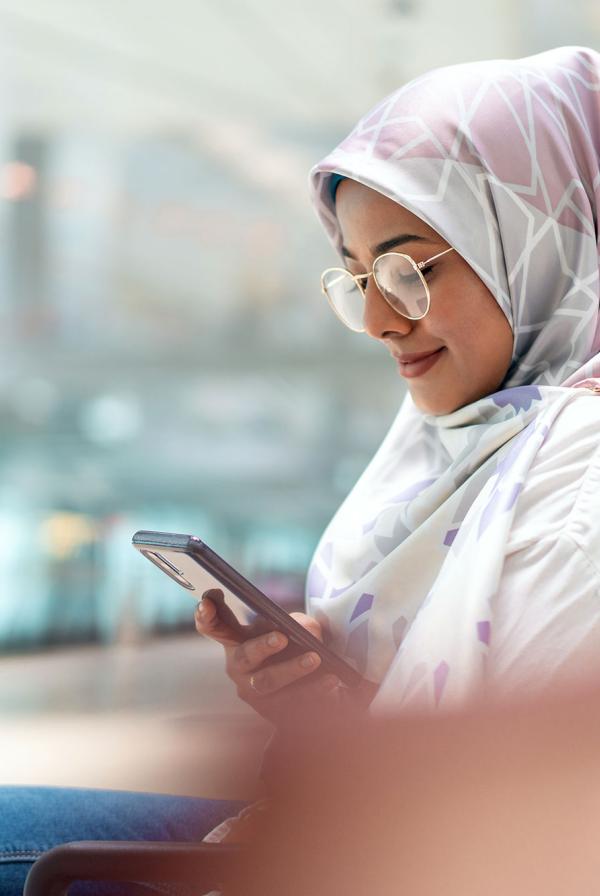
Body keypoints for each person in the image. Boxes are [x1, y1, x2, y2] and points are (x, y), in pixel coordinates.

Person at [3, 42, 600, 892]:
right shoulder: (482, 435)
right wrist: (311, 708)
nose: (380, 321)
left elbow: (509, 822)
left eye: (407, 269)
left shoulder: (582, 473)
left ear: (537, 244)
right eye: (358, 278)